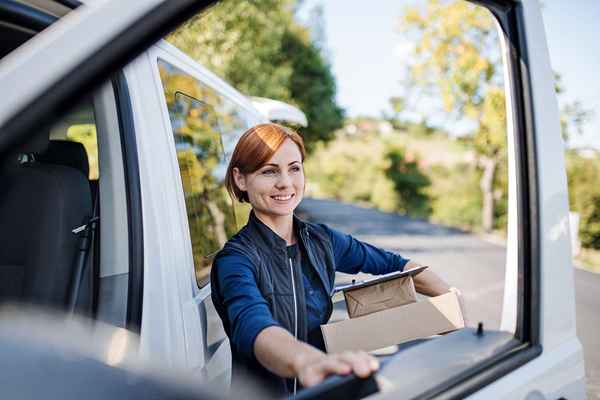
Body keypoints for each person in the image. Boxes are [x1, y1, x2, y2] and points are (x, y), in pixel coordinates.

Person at [210, 123, 464, 396]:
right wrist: (310, 361)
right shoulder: (235, 260)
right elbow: (255, 326)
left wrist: (449, 302)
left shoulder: (322, 240)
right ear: (241, 179)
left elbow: (396, 264)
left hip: (322, 391)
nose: (285, 182)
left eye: (294, 168)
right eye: (269, 171)